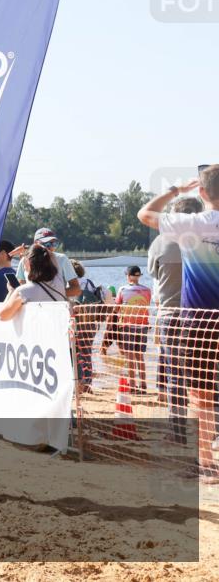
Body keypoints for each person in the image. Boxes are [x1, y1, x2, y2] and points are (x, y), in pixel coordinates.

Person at [138, 166, 219, 480]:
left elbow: (145, 214)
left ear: (202, 192)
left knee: (201, 395)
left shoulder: (191, 223)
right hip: (201, 320)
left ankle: (207, 463)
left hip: (199, 321)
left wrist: (175, 191)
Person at [148, 196, 204, 443]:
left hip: (170, 314)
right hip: (204, 316)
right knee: (207, 373)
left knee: (176, 375)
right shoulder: (208, 240)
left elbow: (153, 273)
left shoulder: (161, 242)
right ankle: (211, 432)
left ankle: (177, 431)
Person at [0, 244, 68, 321]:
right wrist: (29, 250)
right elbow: (49, 255)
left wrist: (11, 292)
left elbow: (2, 316)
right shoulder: (59, 281)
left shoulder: (23, 291)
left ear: (28, 263)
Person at [113, 266, 153, 395]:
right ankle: (143, 385)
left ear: (129, 276)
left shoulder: (123, 289)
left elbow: (116, 308)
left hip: (128, 326)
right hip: (143, 325)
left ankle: (132, 385)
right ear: (139, 276)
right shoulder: (147, 290)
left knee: (130, 356)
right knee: (140, 356)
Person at [13, 228, 81, 299]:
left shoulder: (62, 259)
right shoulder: (24, 260)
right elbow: (20, 286)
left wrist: (46, 294)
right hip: (33, 305)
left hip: (57, 305)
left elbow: (76, 289)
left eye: (54, 244)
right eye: (47, 244)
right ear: (35, 244)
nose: (50, 247)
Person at [72, 259, 107, 392]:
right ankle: (88, 384)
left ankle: (79, 383)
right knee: (87, 353)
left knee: (75, 353)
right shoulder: (89, 283)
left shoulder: (70, 284)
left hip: (76, 322)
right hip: (91, 322)